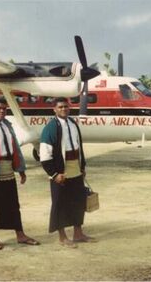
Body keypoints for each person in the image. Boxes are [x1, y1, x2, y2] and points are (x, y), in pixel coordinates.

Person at [0, 96, 39, 250]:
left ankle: (20, 235)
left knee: (13, 205)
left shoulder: (8, 126)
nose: (2, 111)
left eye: (4, 109)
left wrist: (21, 169)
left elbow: (16, 149)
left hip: (8, 172)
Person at [39, 97, 95, 248]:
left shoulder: (73, 123)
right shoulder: (51, 128)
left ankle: (78, 233)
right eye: (60, 107)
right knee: (60, 203)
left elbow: (79, 148)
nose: (64, 109)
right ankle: (62, 237)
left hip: (75, 168)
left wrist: (82, 167)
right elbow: (44, 155)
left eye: (66, 106)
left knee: (78, 201)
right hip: (60, 171)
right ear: (54, 109)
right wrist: (54, 174)